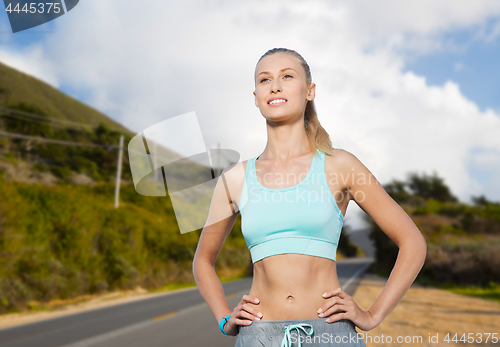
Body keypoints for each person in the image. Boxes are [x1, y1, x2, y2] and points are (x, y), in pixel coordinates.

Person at [192, 47, 427, 347]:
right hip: (259, 336)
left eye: (287, 76)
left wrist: (372, 315)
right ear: (256, 97)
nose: (274, 85)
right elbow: (203, 260)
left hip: (332, 334)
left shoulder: (340, 165)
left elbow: (413, 242)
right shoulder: (234, 178)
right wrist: (225, 318)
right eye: (265, 80)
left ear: (309, 91)